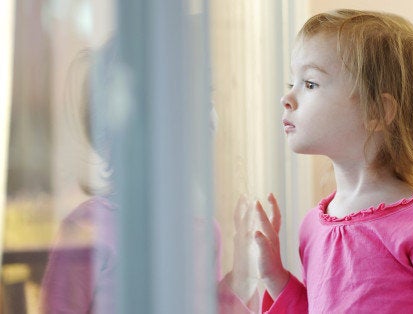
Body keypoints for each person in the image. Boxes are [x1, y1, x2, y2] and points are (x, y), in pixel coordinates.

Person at [244, 9, 413, 313]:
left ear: (377, 112)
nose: (287, 98)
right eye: (291, 82)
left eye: (310, 84)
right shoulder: (312, 227)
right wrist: (275, 277)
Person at [40, 40, 258, 314]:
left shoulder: (204, 232)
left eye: (208, 97)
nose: (209, 116)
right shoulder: (88, 229)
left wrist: (243, 278)